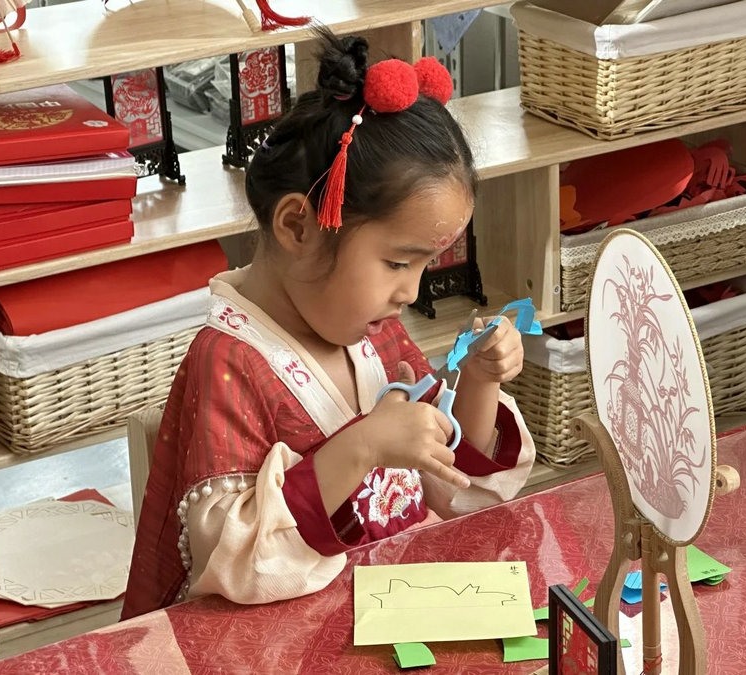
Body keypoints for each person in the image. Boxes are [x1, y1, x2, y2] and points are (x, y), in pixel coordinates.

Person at [121, 29, 536, 620]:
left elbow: (455, 488)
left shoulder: (373, 330)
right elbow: (237, 564)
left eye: (425, 265)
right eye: (398, 262)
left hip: (389, 615)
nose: (411, 291)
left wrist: (479, 381)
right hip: (284, 636)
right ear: (299, 226)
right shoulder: (230, 362)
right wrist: (363, 447)